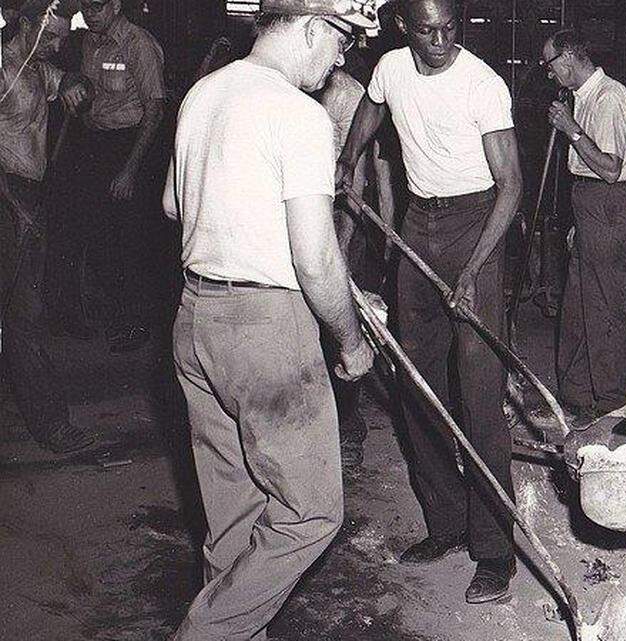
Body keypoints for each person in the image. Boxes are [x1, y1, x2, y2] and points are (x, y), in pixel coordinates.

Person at [163, 2, 376, 637]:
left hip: (196, 318)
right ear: (312, 27)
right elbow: (313, 257)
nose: (341, 59)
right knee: (311, 514)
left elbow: (175, 203)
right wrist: (351, 339)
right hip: (265, 334)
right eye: (340, 41)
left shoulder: (203, 93)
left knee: (234, 520)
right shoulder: (299, 114)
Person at [336, 0, 523, 604]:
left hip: (479, 224)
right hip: (420, 222)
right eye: (428, 31)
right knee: (416, 384)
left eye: (450, 29)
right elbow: (370, 112)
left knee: (478, 392)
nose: (441, 41)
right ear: (403, 29)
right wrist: (347, 159)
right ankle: (444, 525)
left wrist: (472, 270)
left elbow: (511, 187)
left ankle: (495, 551)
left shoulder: (483, 84)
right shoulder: (390, 67)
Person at [44, 0, 165, 352]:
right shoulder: (88, 41)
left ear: (115, 6)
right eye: (87, 7)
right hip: (94, 144)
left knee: (129, 242)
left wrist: (129, 169)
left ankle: (136, 324)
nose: (91, 13)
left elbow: (155, 111)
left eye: (97, 6)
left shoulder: (138, 43)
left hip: (130, 146)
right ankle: (113, 315)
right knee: (100, 238)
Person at [0, 4, 94, 454]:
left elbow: (72, 82)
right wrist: (14, 202)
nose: (58, 46)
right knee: (22, 315)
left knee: (24, 314)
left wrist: (78, 83)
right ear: (25, 23)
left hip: (28, 199)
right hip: (7, 197)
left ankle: (46, 420)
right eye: (51, 36)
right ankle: (51, 424)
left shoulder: (37, 68)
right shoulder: (3, 68)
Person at [541, 28, 626, 418]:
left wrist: (570, 129)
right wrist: (578, 222)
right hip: (589, 206)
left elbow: (610, 168)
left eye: (550, 64)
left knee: (603, 309)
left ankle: (612, 403)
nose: (549, 73)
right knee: (577, 306)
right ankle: (579, 396)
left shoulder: (609, 99)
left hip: (608, 202)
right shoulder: (583, 98)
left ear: (568, 58)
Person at [316, 66, 371, 468]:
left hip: (337, 217)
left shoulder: (347, 94)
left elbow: (358, 176)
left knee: (339, 327)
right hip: (300, 214)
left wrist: (344, 244)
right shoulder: (290, 84)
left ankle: (348, 426)